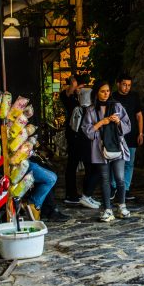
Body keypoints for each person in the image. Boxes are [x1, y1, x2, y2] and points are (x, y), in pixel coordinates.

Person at [81, 82, 132, 222]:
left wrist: (118, 122)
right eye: (103, 91)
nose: (106, 94)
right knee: (104, 180)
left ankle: (122, 206)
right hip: (99, 149)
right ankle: (108, 210)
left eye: (108, 91)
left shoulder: (117, 106)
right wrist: (101, 123)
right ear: (97, 92)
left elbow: (127, 126)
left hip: (117, 147)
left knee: (120, 178)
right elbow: (87, 130)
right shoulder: (91, 110)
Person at [111, 74, 143, 201]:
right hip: (116, 135)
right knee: (116, 162)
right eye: (124, 84)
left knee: (129, 163)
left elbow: (139, 115)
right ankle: (114, 187)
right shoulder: (112, 97)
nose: (127, 88)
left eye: (129, 85)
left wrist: (141, 133)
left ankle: (126, 189)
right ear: (118, 83)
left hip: (132, 134)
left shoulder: (134, 97)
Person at [71, 88, 101, 211]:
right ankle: (86, 195)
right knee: (96, 170)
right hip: (88, 145)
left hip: (84, 144)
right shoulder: (87, 110)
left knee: (90, 171)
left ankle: (87, 195)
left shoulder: (79, 109)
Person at [60, 76, 83, 205]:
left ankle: (74, 192)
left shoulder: (75, 96)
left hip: (77, 133)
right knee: (72, 164)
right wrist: (74, 83)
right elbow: (72, 86)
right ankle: (70, 194)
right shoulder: (65, 95)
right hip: (72, 133)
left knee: (74, 163)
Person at [26, 157, 67, 221]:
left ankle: (46, 209)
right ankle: (36, 205)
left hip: (25, 158)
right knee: (50, 178)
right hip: (21, 161)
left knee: (49, 170)